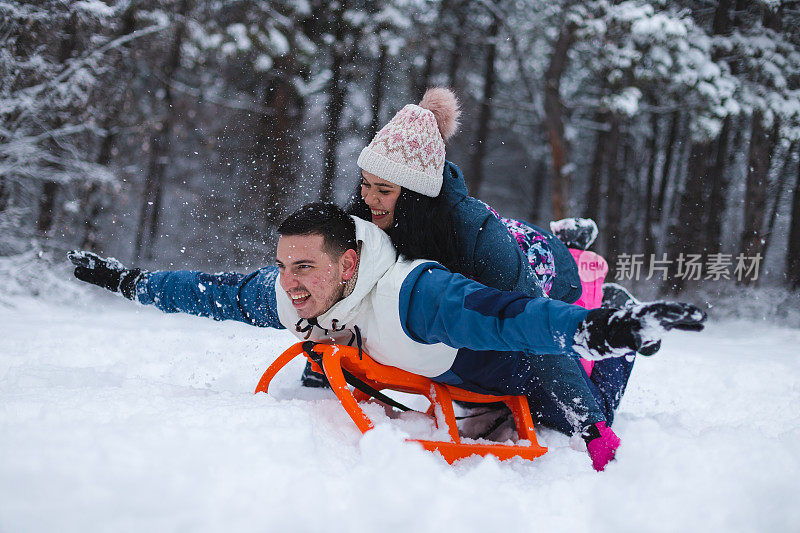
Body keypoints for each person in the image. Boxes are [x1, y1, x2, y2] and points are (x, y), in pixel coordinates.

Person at [68, 202, 706, 471]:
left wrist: (599, 329)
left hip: (513, 360)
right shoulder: (303, 289)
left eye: (304, 267)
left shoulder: (411, 298)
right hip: (468, 339)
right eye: (284, 265)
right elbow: (215, 291)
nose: (288, 285)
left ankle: (607, 292)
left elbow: (508, 315)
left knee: (577, 409)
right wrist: (130, 282)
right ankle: (557, 247)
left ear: (349, 264)